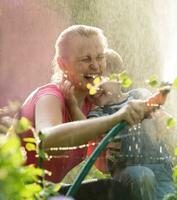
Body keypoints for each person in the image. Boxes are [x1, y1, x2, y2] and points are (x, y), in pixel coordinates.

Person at [19, 25, 148, 200]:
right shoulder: (50, 97)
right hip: (13, 191)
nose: (95, 65)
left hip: (44, 192)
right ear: (63, 64)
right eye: (85, 59)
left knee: (114, 191)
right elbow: (47, 140)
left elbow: (102, 166)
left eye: (100, 57)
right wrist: (115, 118)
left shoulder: (90, 104)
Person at [62, 49, 175, 200]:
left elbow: (162, 116)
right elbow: (84, 127)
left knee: (170, 197)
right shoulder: (100, 114)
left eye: (99, 79)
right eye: (90, 82)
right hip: (127, 174)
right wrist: (73, 106)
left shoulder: (139, 95)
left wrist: (164, 122)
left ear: (120, 78)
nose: (94, 87)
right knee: (142, 175)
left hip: (162, 171)